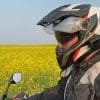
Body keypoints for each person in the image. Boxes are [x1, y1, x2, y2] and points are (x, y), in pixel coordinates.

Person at [12, 4, 100, 100]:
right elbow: (59, 92)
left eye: (66, 35)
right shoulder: (77, 67)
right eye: (59, 37)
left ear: (91, 33)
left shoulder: (97, 72)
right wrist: (29, 98)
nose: (62, 43)